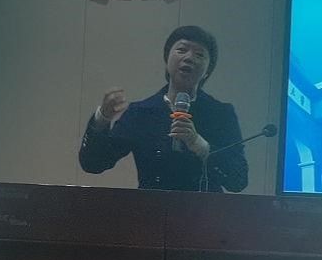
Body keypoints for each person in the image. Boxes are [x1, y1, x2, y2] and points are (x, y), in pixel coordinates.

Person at [79, 26, 248, 192]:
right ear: (167, 60)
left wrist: (199, 144)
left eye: (199, 55)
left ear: (207, 71)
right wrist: (102, 119)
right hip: (152, 208)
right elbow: (93, 164)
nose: (189, 58)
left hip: (204, 209)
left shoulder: (221, 114)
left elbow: (238, 181)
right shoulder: (141, 112)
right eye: (182, 50)